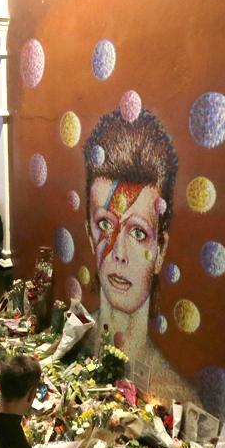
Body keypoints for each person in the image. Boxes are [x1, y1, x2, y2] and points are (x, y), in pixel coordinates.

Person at [81, 109, 197, 405]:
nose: (119, 254)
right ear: (88, 235)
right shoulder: (79, 340)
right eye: (105, 225)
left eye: (138, 233)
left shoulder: (177, 397)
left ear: (160, 250)